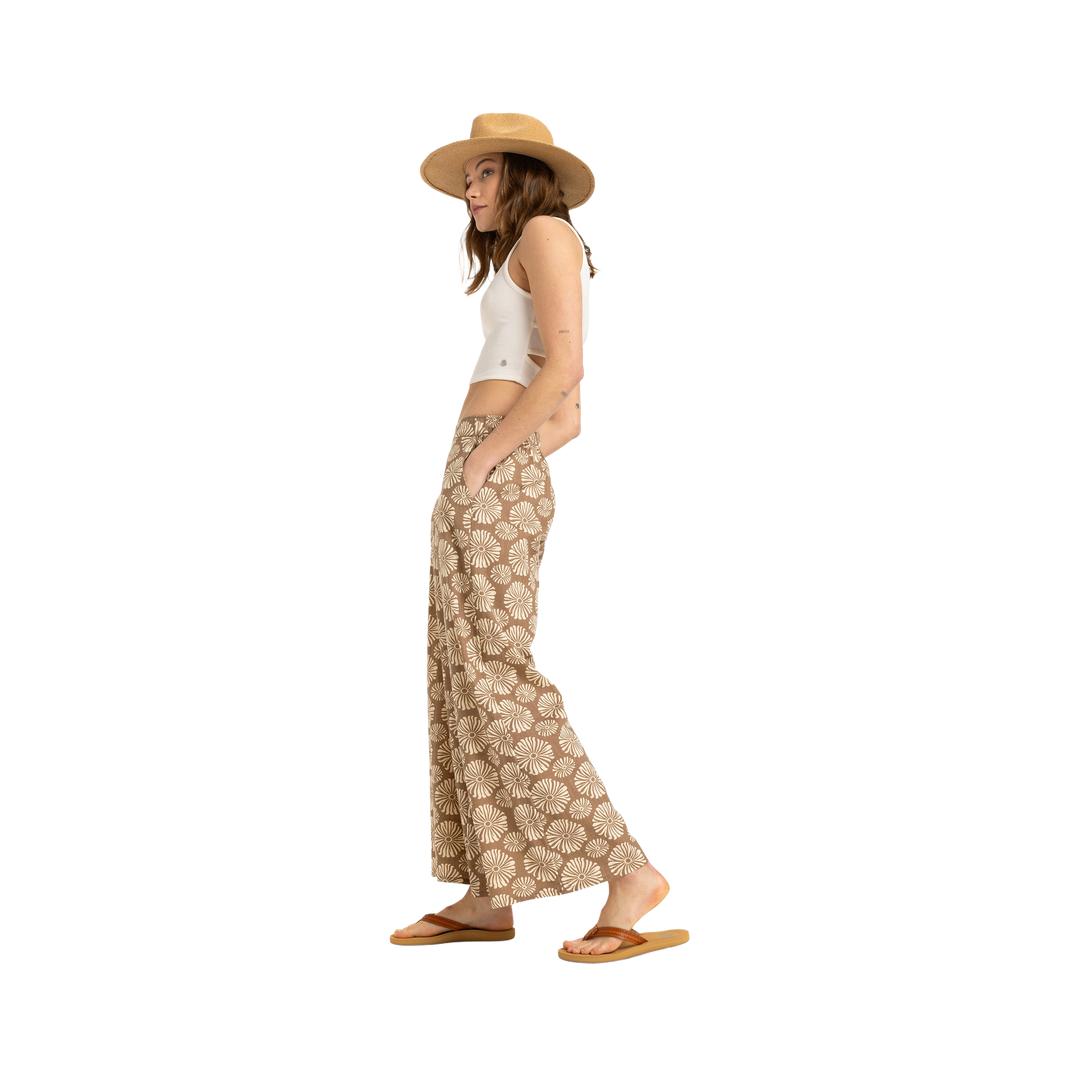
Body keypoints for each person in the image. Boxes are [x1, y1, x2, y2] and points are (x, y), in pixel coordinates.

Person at [390, 114, 689, 963]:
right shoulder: (523, 250)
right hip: (485, 466)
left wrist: (489, 462)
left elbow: (567, 370)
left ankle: (629, 872)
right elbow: (570, 419)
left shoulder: (549, 232)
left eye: (485, 173)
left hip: (488, 464)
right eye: (468, 178)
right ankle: (489, 892)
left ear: (524, 175)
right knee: (461, 673)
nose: (470, 191)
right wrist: (490, 465)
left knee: (496, 676)